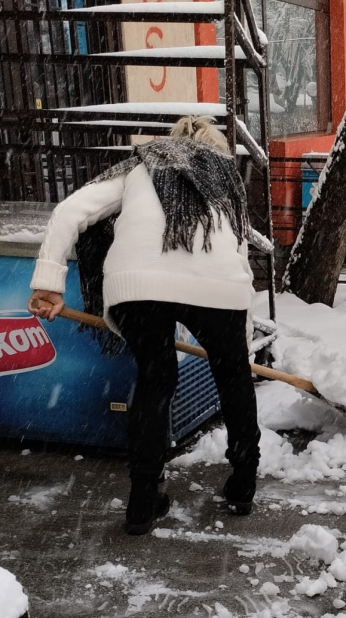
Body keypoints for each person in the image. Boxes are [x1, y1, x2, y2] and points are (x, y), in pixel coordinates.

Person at [27, 116, 261, 535]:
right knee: (233, 379)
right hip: (220, 286)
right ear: (219, 148)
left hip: (136, 283)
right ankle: (243, 485)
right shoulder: (226, 175)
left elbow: (69, 211)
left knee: (157, 379)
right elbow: (239, 253)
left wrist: (48, 283)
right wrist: (238, 350)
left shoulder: (141, 163)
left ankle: (142, 502)